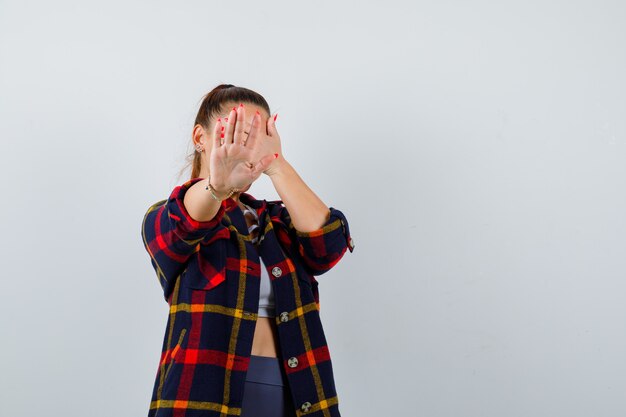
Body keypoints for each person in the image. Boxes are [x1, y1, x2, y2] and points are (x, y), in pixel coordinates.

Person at [140, 84, 355, 417]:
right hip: (202, 400)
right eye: (234, 133)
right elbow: (185, 224)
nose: (244, 147)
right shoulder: (164, 218)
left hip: (298, 397)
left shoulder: (279, 223)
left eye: (257, 135)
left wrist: (276, 164)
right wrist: (216, 187)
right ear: (201, 138)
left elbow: (327, 246)